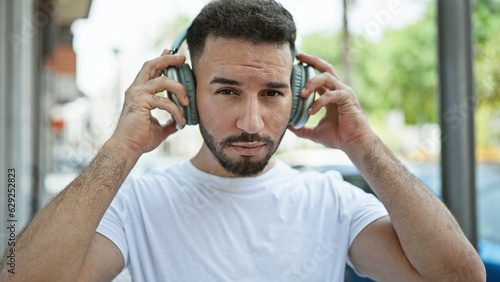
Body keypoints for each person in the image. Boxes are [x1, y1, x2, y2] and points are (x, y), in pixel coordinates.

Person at [0, 0, 485, 281]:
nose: (252, 122)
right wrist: (120, 150)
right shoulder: (136, 205)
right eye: (228, 91)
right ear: (185, 92)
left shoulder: (334, 202)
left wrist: (363, 144)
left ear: (297, 97)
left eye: (272, 92)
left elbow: (461, 276)